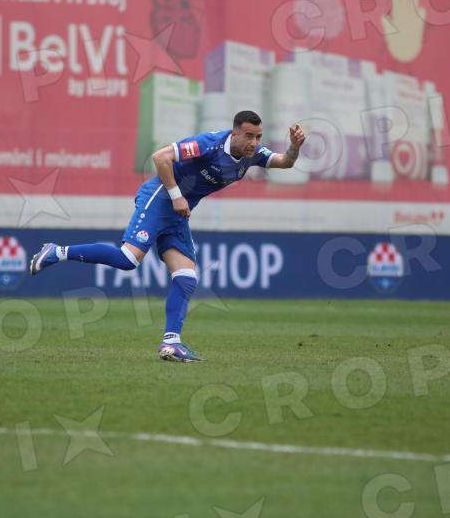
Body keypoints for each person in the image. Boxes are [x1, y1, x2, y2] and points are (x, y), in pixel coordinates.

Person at [29, 110, 305, 362]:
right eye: (249, 136)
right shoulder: (209, 143)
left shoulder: (251, 154)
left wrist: (294, 147)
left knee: (186, 276)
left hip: (178, 212)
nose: (254, 142)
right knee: (128, 259)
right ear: (234, 133)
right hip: (161, 198)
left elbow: (285, 162)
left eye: (258, 137)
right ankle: (56, 252)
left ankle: (171, 343)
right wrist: (176, 196)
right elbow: (161, 157)